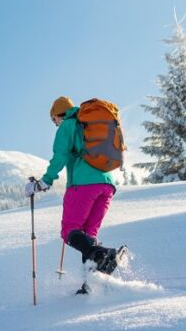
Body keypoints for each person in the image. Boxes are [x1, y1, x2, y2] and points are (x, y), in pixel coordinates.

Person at [27, 96, 123, 276]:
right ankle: (93, 282)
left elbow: (60, 156)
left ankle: (103, 255)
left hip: (84, 183)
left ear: (58, 115)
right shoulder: (88, 124)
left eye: (54, 120)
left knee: (70, 230)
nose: (55, 124)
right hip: (107, 184)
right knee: (88, 235)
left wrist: (44, 182)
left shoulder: (68, 125)